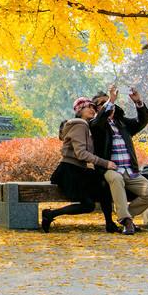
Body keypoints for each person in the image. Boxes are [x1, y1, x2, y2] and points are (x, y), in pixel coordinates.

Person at [89, 84, 148, 235]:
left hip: (130, 171)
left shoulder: (122, 123)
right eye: (104, 103)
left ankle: (126, 216)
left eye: (110, 102)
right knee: (115, 178)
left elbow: (142, 121)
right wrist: (112, 100)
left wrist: (138, 102)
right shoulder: (96, 125)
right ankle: (127, 221)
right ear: (96, 109)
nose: (110, 105)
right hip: (110, 170)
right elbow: (98, 122)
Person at [42, 97, 119, 233]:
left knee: (103, 184)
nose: (92, 109)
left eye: (93, 107)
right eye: (87, 107)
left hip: (78, 170)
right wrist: (105, 163)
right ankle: (50, 214)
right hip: (69, 171)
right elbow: (81, 154)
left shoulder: (86, 126)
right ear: (79, 110)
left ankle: (110, 223)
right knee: (89, 205)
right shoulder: (79, 124)